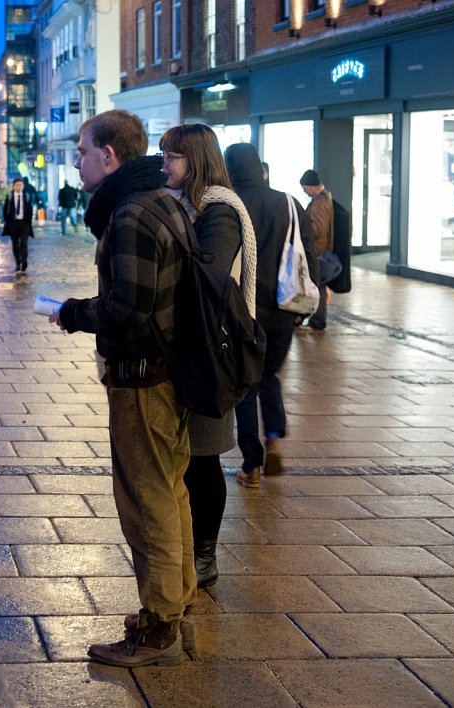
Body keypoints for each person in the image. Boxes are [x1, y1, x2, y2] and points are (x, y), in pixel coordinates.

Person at [51, 109, 194, 668]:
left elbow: (127, 307)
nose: (78, 161)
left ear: (109, 155)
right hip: (165, 375)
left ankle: (159, 626)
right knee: (170, 491)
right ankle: (173, 603)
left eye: (83, 151)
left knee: (146, 499)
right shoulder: (160, 200)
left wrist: (71, 312)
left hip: (143, 381)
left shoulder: (132, 212)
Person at [160, 123, 257, 589]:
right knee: (186, 458)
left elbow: (207, 272)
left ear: (195, 159)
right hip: (182, 347)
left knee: (203, 458)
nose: (165, 164)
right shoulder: (182, 206)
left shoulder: (220, 213)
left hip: (210, 351)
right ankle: (186, 547)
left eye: (173, 156)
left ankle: (205, 554)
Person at [224, 143, 319, 488]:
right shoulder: (290, 203)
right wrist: (305, 309)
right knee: (270, 378)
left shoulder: (231, 204)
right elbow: (309, 255)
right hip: (284, 309)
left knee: (247, 385)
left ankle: (252, 464)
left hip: (244, 311)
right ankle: (275, 436)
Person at [299, 169, 333, 331]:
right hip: (320, 251)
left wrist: (302, 229)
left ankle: (315, 321)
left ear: (312, 187)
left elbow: (318, 229)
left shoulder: (319, 203)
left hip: (318, 251)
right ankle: (312, 320)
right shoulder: (323, 199)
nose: (304, 191)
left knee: (316, 285)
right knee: (317, 285)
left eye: (304, 188)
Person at [2, 178, 34, 272]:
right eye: (17, 185)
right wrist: (8, 222)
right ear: (13, 186)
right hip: (13, 223)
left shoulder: (27, 196)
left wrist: (29, 223)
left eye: (21, 185)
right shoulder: (10, 197)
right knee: (15, 244)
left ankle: (24, 261)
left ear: (23, 186)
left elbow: (30, 210)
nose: (19, 187)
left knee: (23, 243)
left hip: (24, 223)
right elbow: (5, 210)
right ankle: (18, 262)